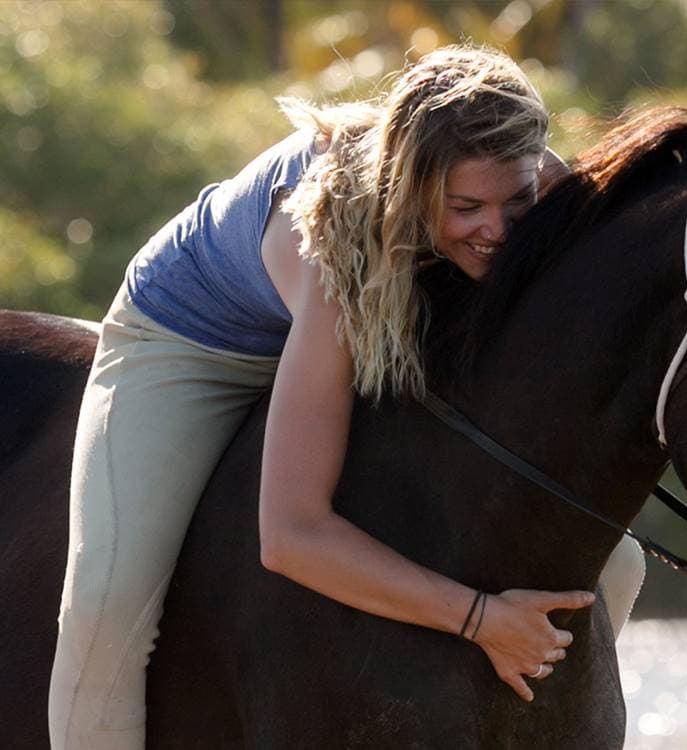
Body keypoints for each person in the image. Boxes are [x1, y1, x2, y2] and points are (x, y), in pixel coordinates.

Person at [48, 44, 645, 750]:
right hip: (190, 341)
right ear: (411, 188)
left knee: (623, 562)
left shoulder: (539, 189)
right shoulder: (337, 255)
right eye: (465, 207)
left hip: (369, 335)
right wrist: (479, 618)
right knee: (107, 603)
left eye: (515, 199)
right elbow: (292, 535)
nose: (500, 229)